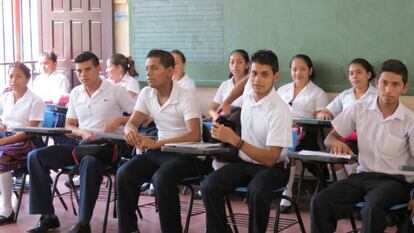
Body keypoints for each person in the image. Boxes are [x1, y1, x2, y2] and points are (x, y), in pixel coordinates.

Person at [26, 51, 135, 233]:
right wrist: (81, 132)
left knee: (89, 162)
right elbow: (70, 125)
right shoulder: (76, 93)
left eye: (87, 70)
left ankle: (84, 223)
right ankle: (47, 217)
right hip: (81, 145)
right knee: (35, 156)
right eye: (79, 71)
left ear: (98, 69)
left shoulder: (116, 90)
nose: (83, 75)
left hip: (106, 147)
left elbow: (140, 117)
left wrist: (119, 121)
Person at [310, 59, 414, 233]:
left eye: (395, 84)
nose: (388, 90)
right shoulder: (359, 109)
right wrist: (337, 143)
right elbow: (329, 138)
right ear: (376, 83)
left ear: (404, 88)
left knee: (372, 208)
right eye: (384, 83)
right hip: (363, 176)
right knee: (320, 201)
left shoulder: (410, 121)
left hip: (396, 181)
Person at [201, 49, 293, 233]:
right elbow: (243, 85)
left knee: (257, 191)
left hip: (273, 168)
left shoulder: (280, 110)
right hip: (245, 163)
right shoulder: (249, 95)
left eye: (265, 74)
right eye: (254, 73)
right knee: (208, 186)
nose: (257, 79)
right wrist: (226, 103)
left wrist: (236, 141)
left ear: (276, 77)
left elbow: (270, 159)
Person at [117, 49, 202, 233]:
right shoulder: (147, 93)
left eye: (154, 68)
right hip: (161, 153)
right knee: (124, 173)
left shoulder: (185, 95)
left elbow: (194, 134)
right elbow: (132, 122)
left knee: (161, 179)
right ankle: (128, 229)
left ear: (170, 71)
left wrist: (158, 143)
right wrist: (130, 130)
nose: (148, 73)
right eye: (147, 68)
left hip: (188, 155)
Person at [277, 54, 329, 213]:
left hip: (305, 133)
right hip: (280, 130)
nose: (297, 73)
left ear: (310, 70)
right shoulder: (282, 89)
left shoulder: (318, 93)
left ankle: (287, 191)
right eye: (294, 69)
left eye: (302, 69)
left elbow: (322, 118)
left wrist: (299, 125)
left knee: (290, 143)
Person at [316, 58, 377, 178]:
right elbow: (325, 111)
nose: (355, 76)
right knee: (334, 155)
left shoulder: (377, 95)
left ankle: (354, 183)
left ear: (368, 74)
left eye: (359, 72)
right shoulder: (345, 95)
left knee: (343, 154)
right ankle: (342, 185)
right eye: (351, 73)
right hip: (345, 138)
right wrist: (324, 114)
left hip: (368, 140)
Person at [0, 62, 44, 224]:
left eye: (18, 76)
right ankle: (6, 198)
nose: (13, 80)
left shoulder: (35, 100)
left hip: (27, 142)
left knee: (1, 157)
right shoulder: (6, 97)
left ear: (27, 79)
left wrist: (3, 140)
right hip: (6, 138)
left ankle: (6, 209)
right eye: (11, 76)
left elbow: (28, 132)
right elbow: (4, 120)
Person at [208, 49, 249, 121]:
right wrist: (216, 116)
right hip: (223, 122)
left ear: (247, 65)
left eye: (240, 62)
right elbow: (211, 108)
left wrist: (231, 108)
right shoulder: (225, 84)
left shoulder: (252, 85)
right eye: (232, 62)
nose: (235, 65)